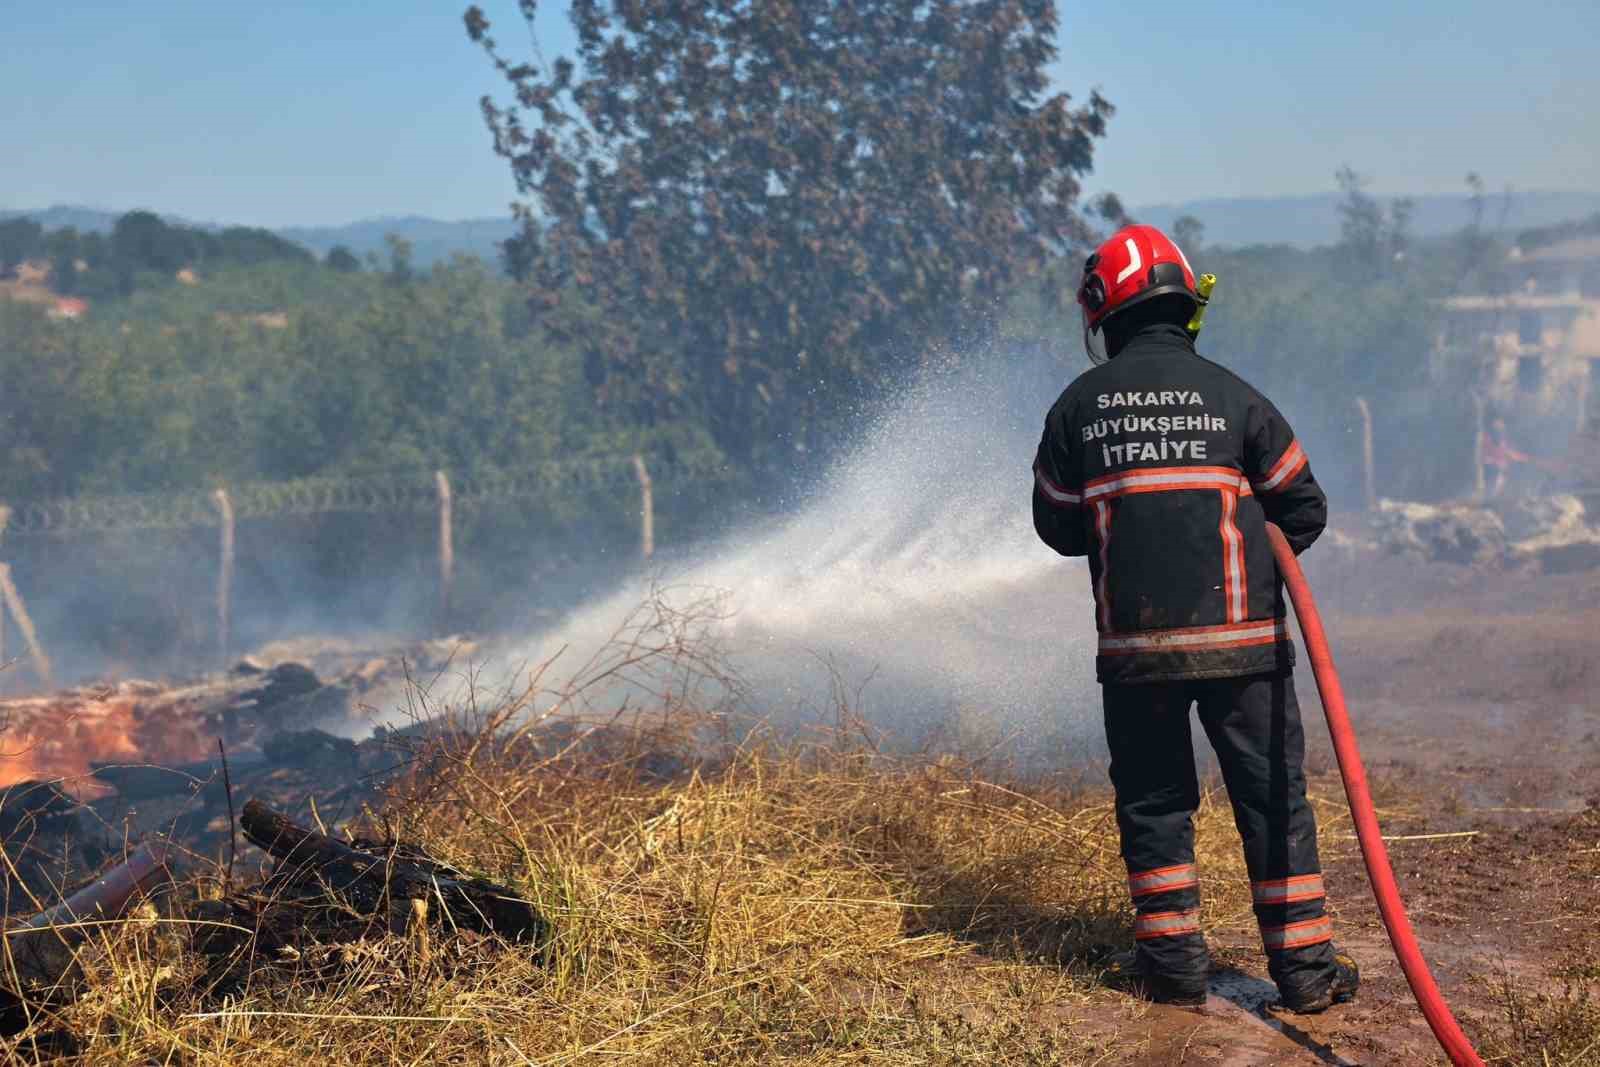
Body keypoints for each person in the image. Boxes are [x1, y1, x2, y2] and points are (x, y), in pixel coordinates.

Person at [1030, 223, 1359, 1013]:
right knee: (1272, 793)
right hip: (1244, 644)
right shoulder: (1237, 396)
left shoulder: (1077, 408)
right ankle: (1307, 971)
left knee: (1152, 798)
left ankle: (1173, 965)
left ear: (1105, 314)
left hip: (1136, 650)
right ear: (1184, 306)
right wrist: (1238, 551)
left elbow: (1057, 525)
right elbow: (1303, 508)